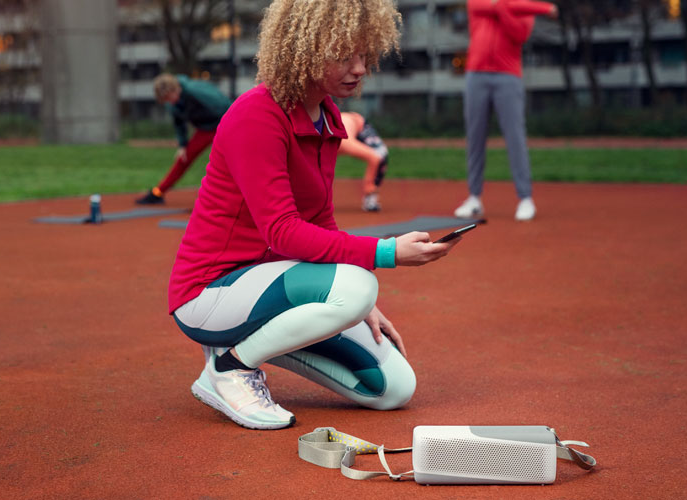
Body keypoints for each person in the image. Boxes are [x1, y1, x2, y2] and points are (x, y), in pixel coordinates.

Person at [167, 0, 459, 430]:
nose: (359, 68)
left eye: (364, 54)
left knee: (394, 387)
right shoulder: (256, 114)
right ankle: (228, 367)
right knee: (359, 284)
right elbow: (283, 232)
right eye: (344, 55)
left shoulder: (328, 117)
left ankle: (251, 345)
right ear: (301, 49)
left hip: (270, 289)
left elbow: (320, 221)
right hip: (208, 292)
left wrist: (356, 307)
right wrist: (386, 254)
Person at [454, 0, 557, 221]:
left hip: (508, 76)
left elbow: (519, 35)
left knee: (515, 137)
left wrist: (502, 8)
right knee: (475, 137)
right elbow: (477, 7)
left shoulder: (523, 7)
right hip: (476, 74)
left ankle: (525, 198)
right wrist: (544, 9)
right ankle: (474, 197)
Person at [135, 73, 232, 205]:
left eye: (169, 97)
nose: (169, 102)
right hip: (205, 129)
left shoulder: (195, 91)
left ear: (175, 90)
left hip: (225, 124)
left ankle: (237, 196)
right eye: (166, 100)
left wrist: (231, 132)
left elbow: (225, 106)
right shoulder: (173, 104)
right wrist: (182, 145)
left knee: (230, 161)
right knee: (183, 158)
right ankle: (158, 193)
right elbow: (179, 123)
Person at [338, 111, 390, 212]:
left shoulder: (345, 143)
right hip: (342, 122)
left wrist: (369, 186)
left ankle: (370, 199)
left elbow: (376, 157)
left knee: (381, 153)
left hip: (358, 123)